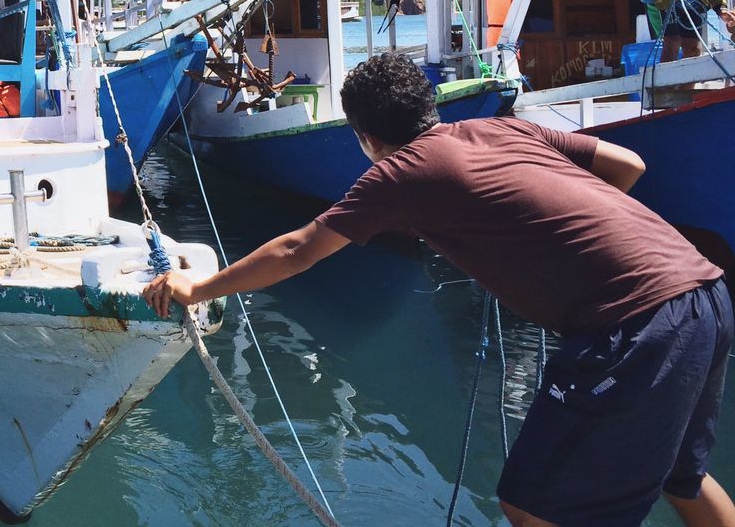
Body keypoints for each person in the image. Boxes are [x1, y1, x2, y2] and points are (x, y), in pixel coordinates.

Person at [144, 52, 734, 527]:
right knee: (683, 478)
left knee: (535, 506)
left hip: (637, 324)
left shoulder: (402, 172)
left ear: (365, 134)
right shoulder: (500, 129)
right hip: (704, 293)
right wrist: (566, 241)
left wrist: (198, 287)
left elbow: (300, 249)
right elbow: (628, 164)